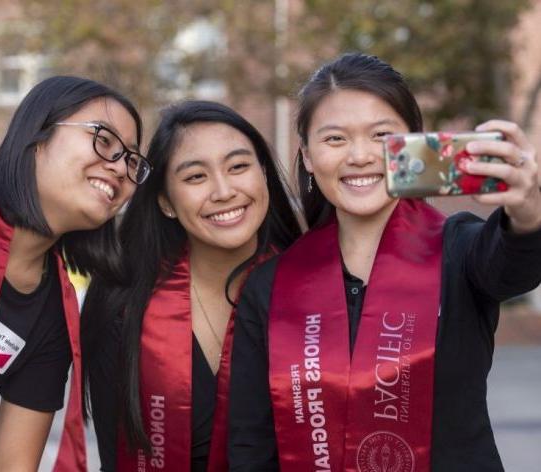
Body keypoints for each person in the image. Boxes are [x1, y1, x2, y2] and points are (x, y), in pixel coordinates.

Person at [228, 52, 541, 471]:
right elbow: (252, 447)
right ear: (306, 155)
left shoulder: (460, 250)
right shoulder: (273, 286)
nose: (359, 156)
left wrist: (529, 212)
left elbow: (515, 266)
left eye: (380, 136)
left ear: (413, 142)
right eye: (335, 139)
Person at [83, 100, 301, 471]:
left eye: (238, 167)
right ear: (166, 201)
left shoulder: (316, 292)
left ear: (263, 173)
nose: (223, 191)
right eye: (195, 177)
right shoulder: (122, 301)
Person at [0, 75, 149, 472]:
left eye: (132, 161)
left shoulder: (52, 319)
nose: (119, 168)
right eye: (103, 140)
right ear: (38, 135)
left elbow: (13, 464)